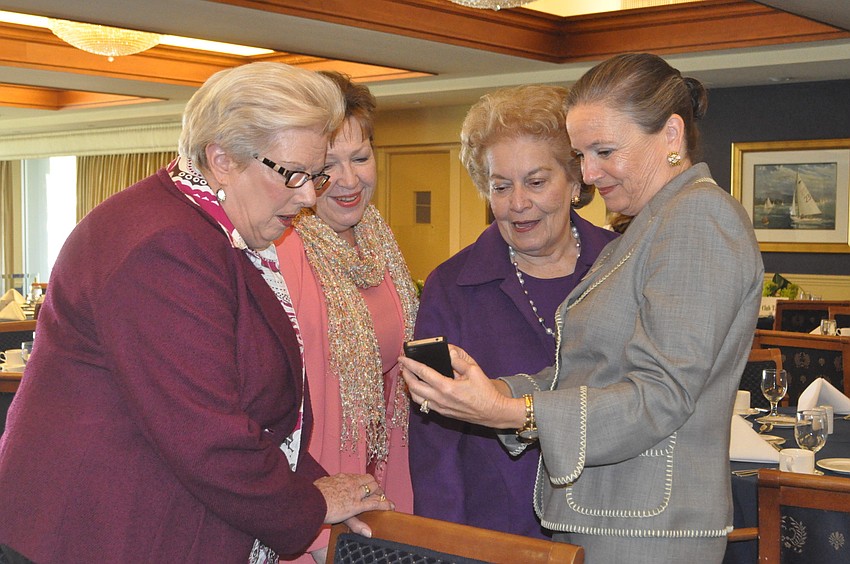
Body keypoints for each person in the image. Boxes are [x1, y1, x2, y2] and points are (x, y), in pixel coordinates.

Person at [0, 62, 393, 564]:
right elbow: (204, 431)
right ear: (222, 158)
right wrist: (312, 501)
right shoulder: (165, 245)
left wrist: (320, 487)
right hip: (94, 530)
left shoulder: (206, 226)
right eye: (294, 174)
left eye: (314, 175)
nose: (309, 196)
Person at [400, 53, 764, 563]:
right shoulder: (647, 228)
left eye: (603, 151)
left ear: (671, 135)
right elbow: (590, 372)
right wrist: (497, 392)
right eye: (582, 154)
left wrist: (511, 411)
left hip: (649, 531)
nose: (590, 172)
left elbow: (661, 396)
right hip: (612, 523)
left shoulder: (698, 219)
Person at [407, 84, 617, 539]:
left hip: (611, 522)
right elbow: (432, 434)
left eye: (536, 182)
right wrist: (444, 541)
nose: (518, 203)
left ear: (575, 181)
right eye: (501, 186)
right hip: (495, 528)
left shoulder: (621, 264)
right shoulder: (447, 285)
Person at [276, 71, 418, 563]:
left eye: (361, 158)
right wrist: (314, 525)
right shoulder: (283, 248)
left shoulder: (380, 241)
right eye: (327, 165)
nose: (350, 180)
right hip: (310, 503)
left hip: (379, 487)